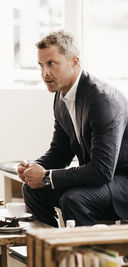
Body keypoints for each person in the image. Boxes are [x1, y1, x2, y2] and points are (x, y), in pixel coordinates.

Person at [17, 30, 128, 227]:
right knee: (31, 189)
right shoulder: (61, 97)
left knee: (75, 199)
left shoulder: (102, 99)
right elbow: (60, 152)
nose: (45, 73)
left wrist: (46, 177)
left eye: (51, 63)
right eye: (41, 65)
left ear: (74, 62)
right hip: (101, 180)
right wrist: (32, 169)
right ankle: (50, 251)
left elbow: (102, 170)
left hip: (121, 180)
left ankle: (88, 256)